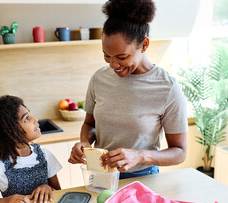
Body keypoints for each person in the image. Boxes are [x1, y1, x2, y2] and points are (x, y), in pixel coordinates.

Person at [69, 0, 188, 179]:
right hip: (100, 175)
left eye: (122, 57)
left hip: (143, 177)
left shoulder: (167, 88)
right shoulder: (99, 79)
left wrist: (140, 155)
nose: (113, 65)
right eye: (106, 56)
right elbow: (90, 124)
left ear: (145, 45)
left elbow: (179, 152)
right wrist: (85, 142)